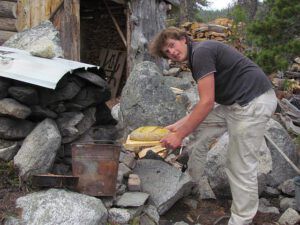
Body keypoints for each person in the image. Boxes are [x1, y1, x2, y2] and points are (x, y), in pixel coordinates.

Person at [149, 27, 277, 225]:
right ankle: (194, 181)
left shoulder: (201, 52)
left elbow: (207, 102)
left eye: (172, 45)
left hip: (253, 104)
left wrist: (180, 135)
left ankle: (241, 220)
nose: (171, 52)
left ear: (183, 39)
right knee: (200, 127)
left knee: (239, 165)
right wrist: (178, 126)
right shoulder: (196, 56)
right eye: (167, 52)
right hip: (234, 105)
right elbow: (205, 107)